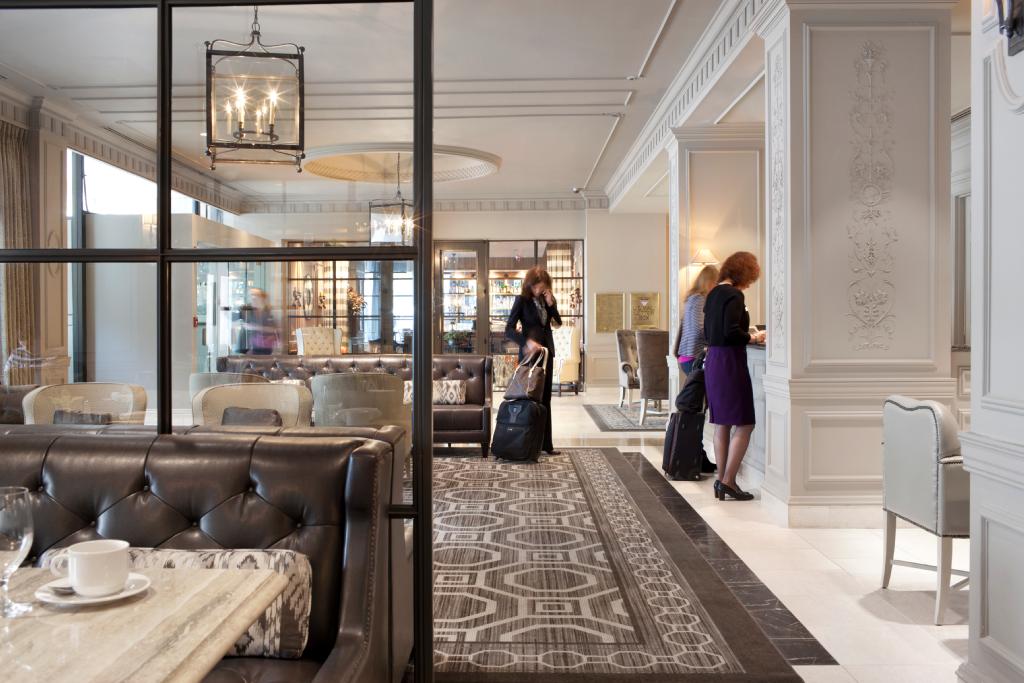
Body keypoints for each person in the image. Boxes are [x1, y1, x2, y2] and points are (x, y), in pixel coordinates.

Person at [703, 251, 765, 501]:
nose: (749, 284)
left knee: (722, 423)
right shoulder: (734, 295)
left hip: (714, 360)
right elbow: (731, 332)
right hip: (730, 361)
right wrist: (754, 337)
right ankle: (728, 481)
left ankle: (721, 481)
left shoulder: (713, 294)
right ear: (744, 274)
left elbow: (710, 332)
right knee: (745, 423)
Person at [505, 266, 562, 455]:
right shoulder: (521, 300)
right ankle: (527, 442)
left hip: (546, 354)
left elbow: (558, 323)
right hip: (530, 356)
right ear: (529, 285)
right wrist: (526, 342)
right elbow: (509, 329)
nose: (539, 290)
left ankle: (546, 445)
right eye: (536, 287)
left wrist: (551, 304)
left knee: (546, 399)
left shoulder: (547, 301)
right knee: (529, 398)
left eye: (543, 287)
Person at [674, 265, 719, 374]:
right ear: (709, 282)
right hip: (694, 356)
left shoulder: (692, 298)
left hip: (688, 355)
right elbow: (699, 329)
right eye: (716, 283)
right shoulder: (699, 300)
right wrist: (717, 336)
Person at [244, 288, 279, 355]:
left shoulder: (269, 311)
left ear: (261, 298)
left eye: (255, 295)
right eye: (251, 295)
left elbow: (274, 329)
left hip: (266, 348)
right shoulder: (249, 311)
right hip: (253, 347)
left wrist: (254, 327)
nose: (253, 297)